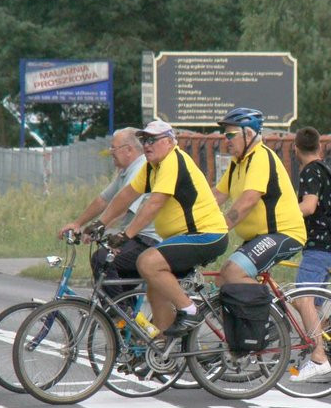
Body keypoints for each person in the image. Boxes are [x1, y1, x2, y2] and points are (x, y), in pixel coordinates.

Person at [89, 119, 228, 336]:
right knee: (155, 289)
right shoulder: (152, 167)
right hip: (183, 237)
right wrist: (100, 223)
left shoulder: (173, 161)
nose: (146, 144)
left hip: (206, 235)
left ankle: (190, 311)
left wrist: (126, 235)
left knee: (147, 262)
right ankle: (162, 348)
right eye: (144, 139)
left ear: (171, 142)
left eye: (153, 139)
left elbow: (154, 203)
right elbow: (126, 195)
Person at [58, 127, 160, 299]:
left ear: (129, 150)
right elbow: (103, 200)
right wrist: (78, 223)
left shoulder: (140, 167)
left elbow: (124, 208)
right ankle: (124, 318)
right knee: (116, 283)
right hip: (135, 237)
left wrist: (99, 228)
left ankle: (116, 317)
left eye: (114, 148)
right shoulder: (126, 172)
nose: (111, 152)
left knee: (102, 260)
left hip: (149, 240)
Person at [211, 107, 306, 285]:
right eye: (225, 135)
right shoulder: (237, 163)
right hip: (259, 237)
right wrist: (191, 220)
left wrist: (218, 229)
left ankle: (262, 309)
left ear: (248, 134)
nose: (226, 140)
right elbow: (216, 196)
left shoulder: (261, 158)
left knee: (233, 273)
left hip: (282, 233)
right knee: (221, 279)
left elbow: (248, 200)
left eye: (231, 135)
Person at [290, 126, 331, 381]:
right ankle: (329, 346)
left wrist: (283, 216)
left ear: (295, 148)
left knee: (303, 300)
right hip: (330, 245)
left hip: (320, 247)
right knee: (312, 304)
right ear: (320, 147)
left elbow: (309, 207)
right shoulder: (328, 169)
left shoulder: (310, 171)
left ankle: (318, 357)